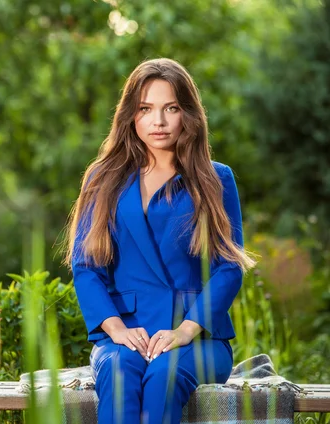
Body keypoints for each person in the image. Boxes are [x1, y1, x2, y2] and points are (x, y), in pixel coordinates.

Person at [64, 58, 256, 424]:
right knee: (119, 377)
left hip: (198, 338)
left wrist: (185, 330)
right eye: (146, 109)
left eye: (171, 108)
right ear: (130, 116)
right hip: (125, 334)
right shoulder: (102, 179)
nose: (159, 121)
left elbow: (229, 268)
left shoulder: (216, 179)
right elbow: (85, 266)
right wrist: (116, 329)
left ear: (189, 114)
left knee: (162, 380)